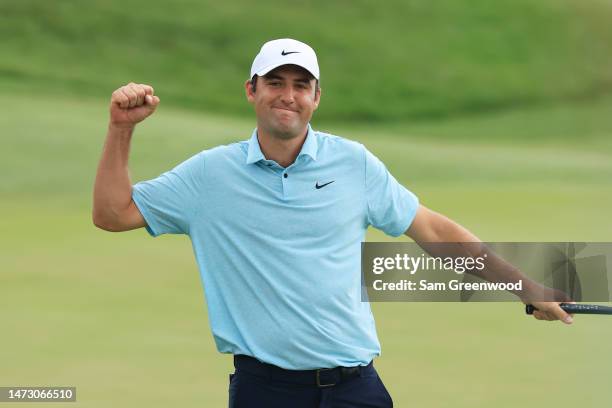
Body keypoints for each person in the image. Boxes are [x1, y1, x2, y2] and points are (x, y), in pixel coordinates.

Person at [92, 38, 573, 408]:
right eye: (275, 82)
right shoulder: (208, 175)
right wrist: (121, 129)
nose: (288, 95)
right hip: (266, 389)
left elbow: (434, 231)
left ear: (316, 97)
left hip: (354, 387)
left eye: (301, 85)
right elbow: (112, 214)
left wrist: (525, 286)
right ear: (251, 89)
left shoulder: (354, 164)